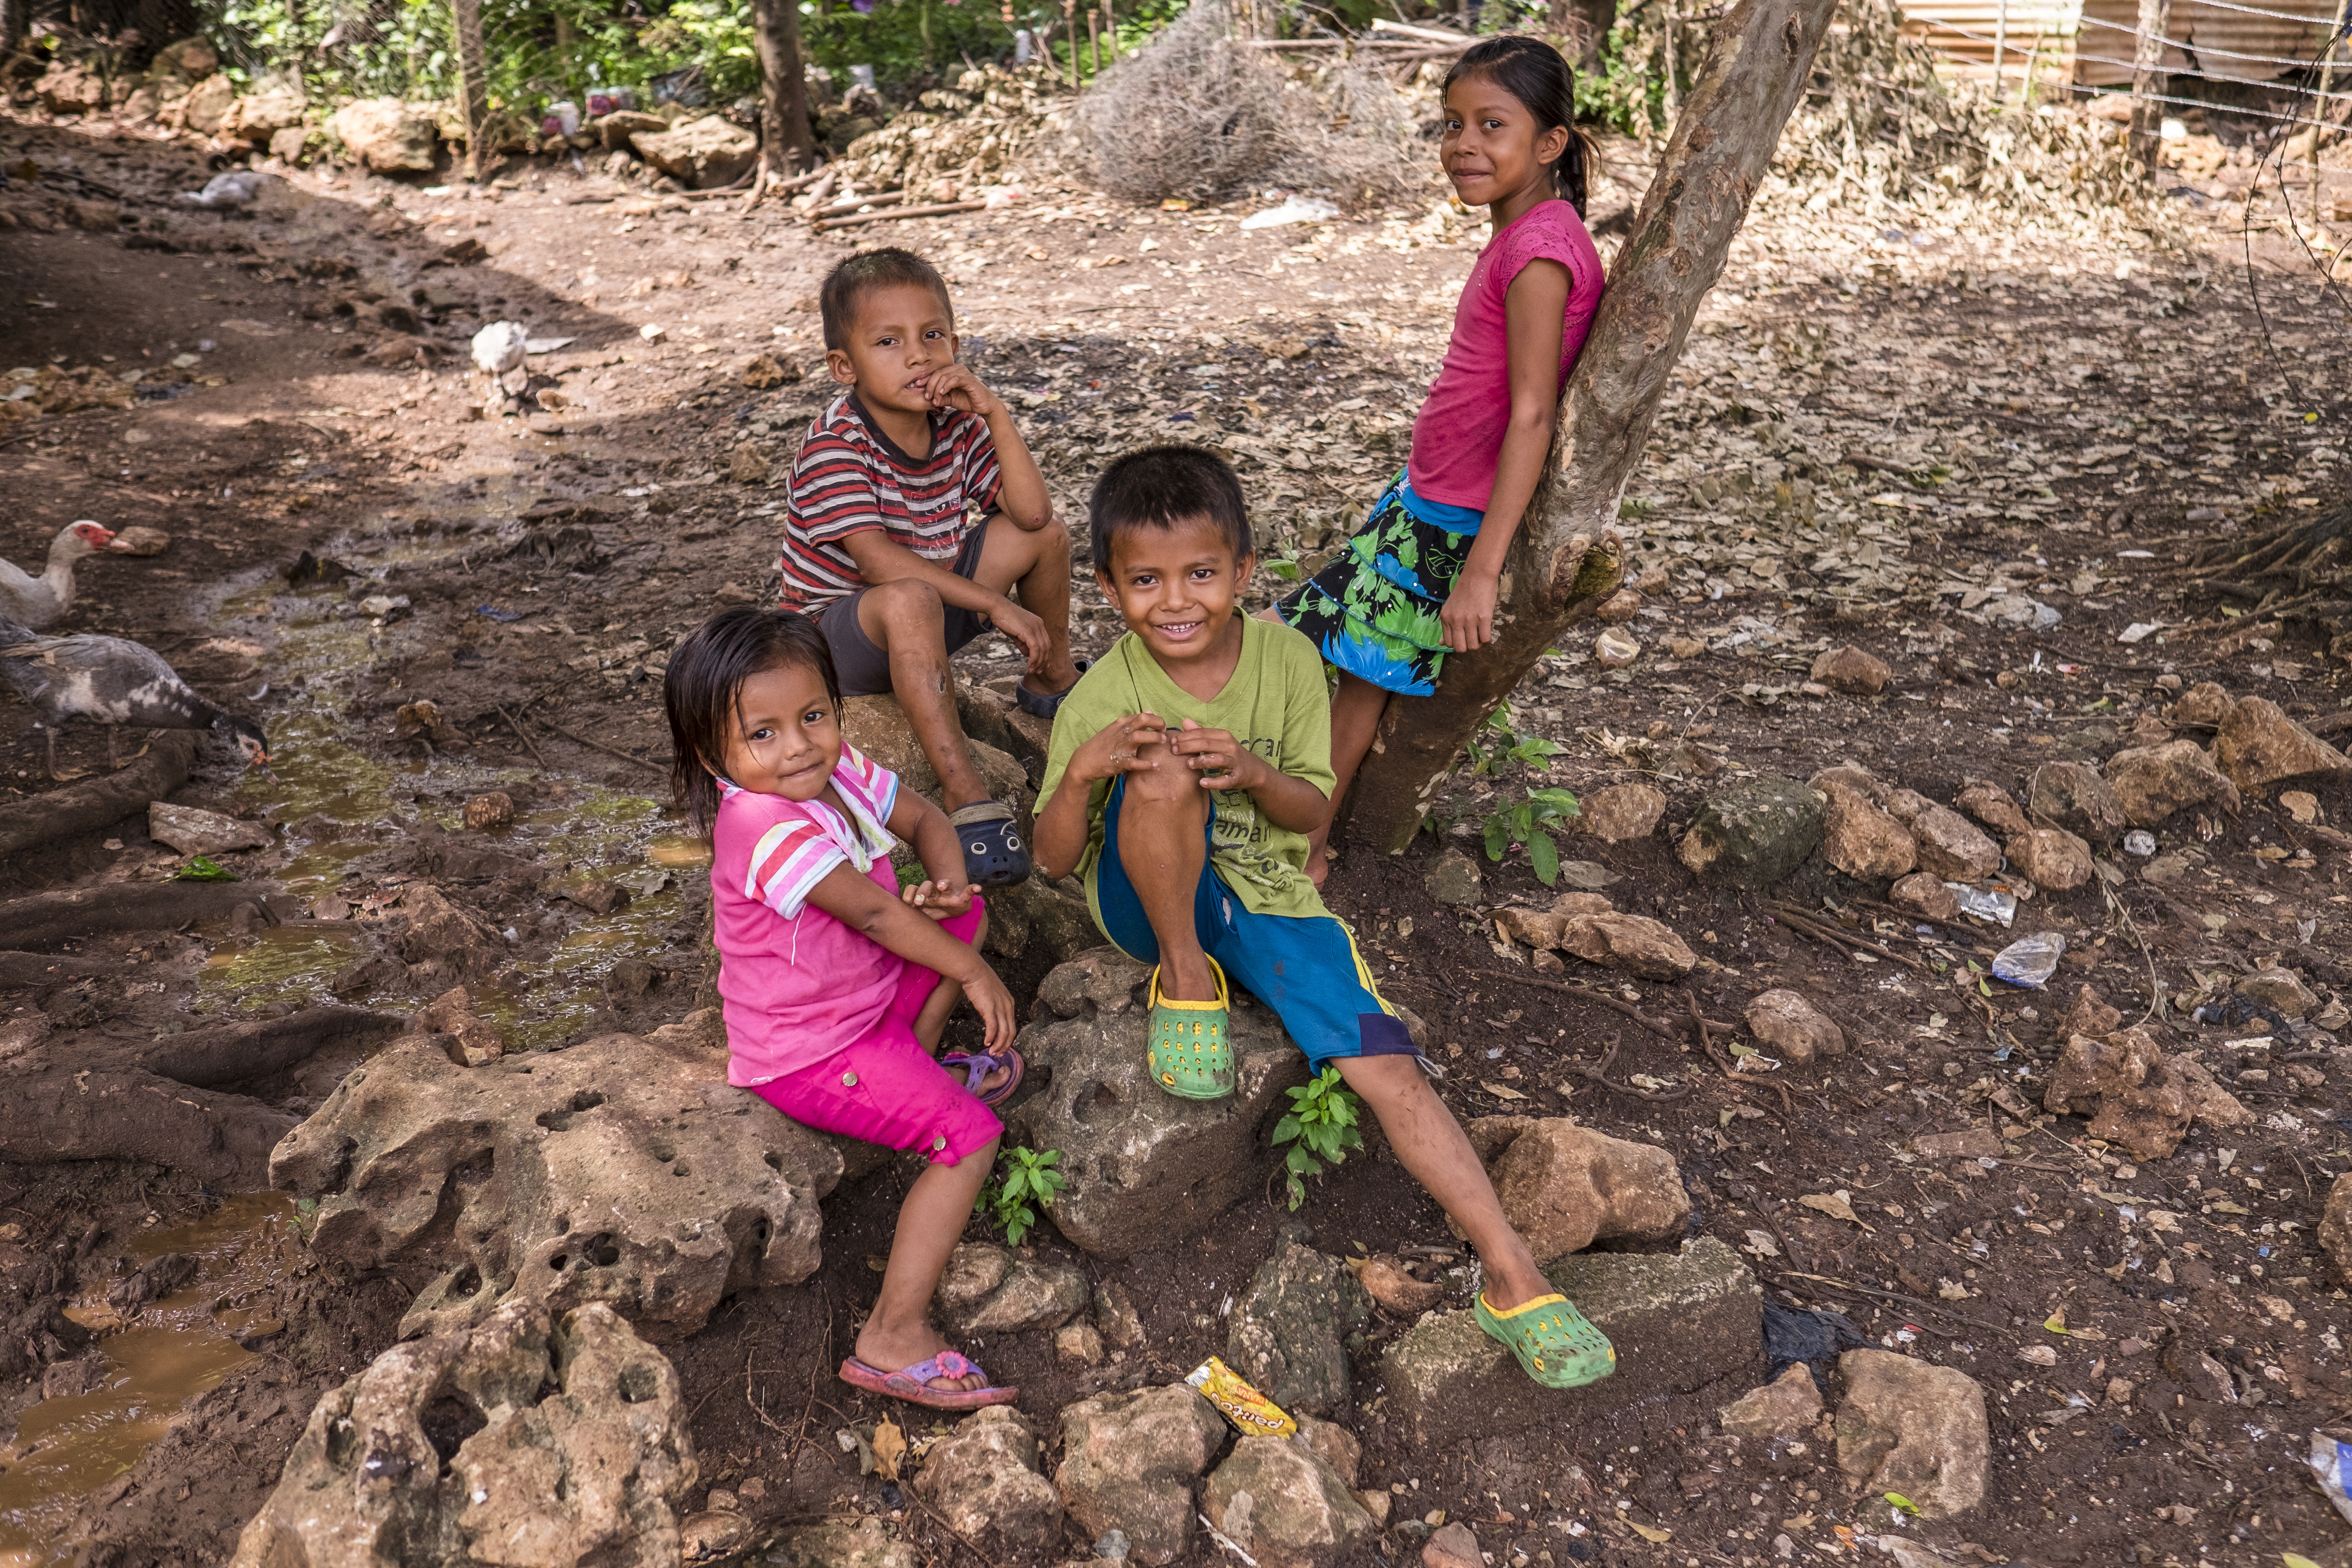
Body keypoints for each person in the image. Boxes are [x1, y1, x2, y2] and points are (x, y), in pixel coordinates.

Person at [1032, 447, 1614, 1392]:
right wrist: (1084, 771)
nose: (1175, 601)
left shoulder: (1291, 659)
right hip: (1148, 902)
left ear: (1244, 573)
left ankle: (1512, 1277)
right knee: (1163, 772)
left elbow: (1311, 813)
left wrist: (1259, 775)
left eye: (1202, 575)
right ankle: (1187, 977)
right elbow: (1053, 859)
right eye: (1145, 580)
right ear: (1108, 587)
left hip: (1268, 898)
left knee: (1389, 1067)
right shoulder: (1104, 695)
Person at [664, 606, 1026, 1410]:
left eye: (813, 716)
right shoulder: (759, 821)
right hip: (809, 1054)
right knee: (971, 1138)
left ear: (834, 706)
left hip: (862, 1003)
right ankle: (892, 1335)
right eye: (763, 733)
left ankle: (918, 1072)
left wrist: (949, 886)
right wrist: (969, 973)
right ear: (710, 751)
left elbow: (930, 821)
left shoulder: (838, 771)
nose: (797, 746)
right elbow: (870, 913)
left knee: (960, 915)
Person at [1277, 36, 1605, 884]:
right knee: (1317, 648)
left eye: (1492, 125)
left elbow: (1534, 414)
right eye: (1452, 124)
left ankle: (1308, 854)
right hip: (1426, 496)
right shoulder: (1531, 233)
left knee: (1357, 685)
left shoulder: (1538, 253)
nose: (1463, 145)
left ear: (1550, 143)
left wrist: (1483, 572)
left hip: (1452, 522)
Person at [774, 246, 1085, 888]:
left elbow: (1031, 515)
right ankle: (964, 792)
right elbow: (879, 562)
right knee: (910, 593)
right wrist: (995, 604)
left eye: (933, 336)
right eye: (888, 341)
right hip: (838, 640)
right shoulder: (837, 444)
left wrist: (994, 413)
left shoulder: (956, 425)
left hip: (926, 609)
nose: (918, 355)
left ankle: (1052, 679)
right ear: (844, 366)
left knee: (1048, 538)